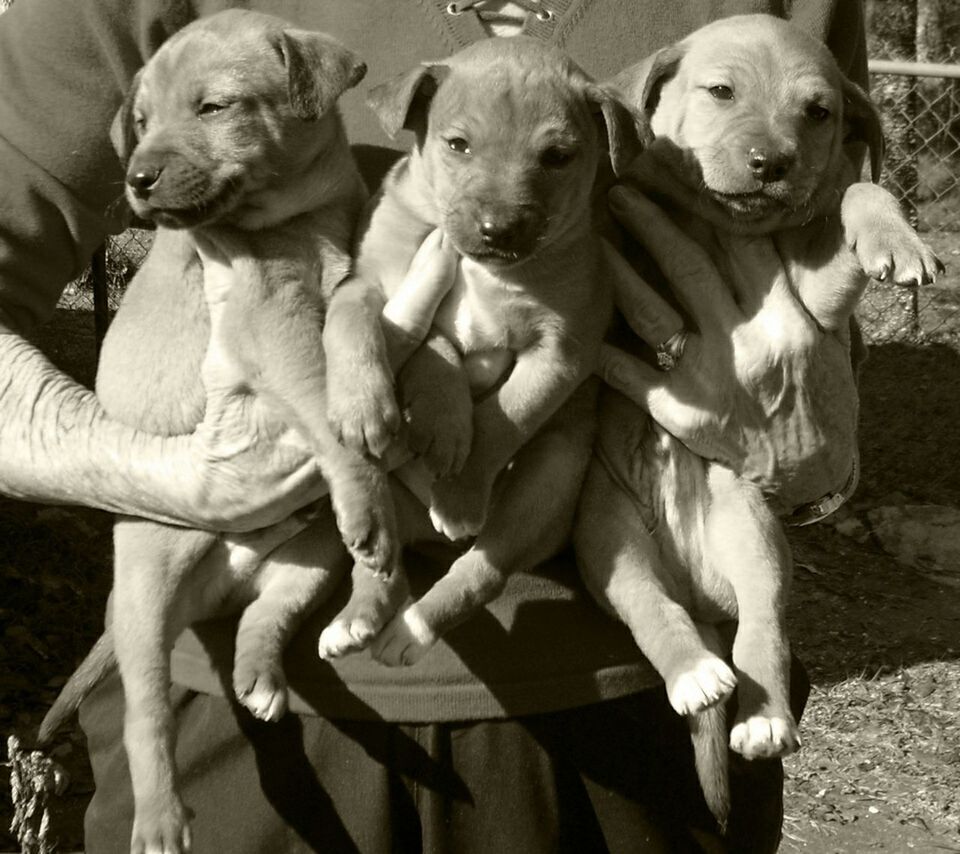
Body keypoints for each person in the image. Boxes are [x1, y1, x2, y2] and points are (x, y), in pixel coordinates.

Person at [0, 1, 869, 851]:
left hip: (641, 709)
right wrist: (165, 472)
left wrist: (806, 458)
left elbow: (815, 275)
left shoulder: (779, 29)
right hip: (235, 719)